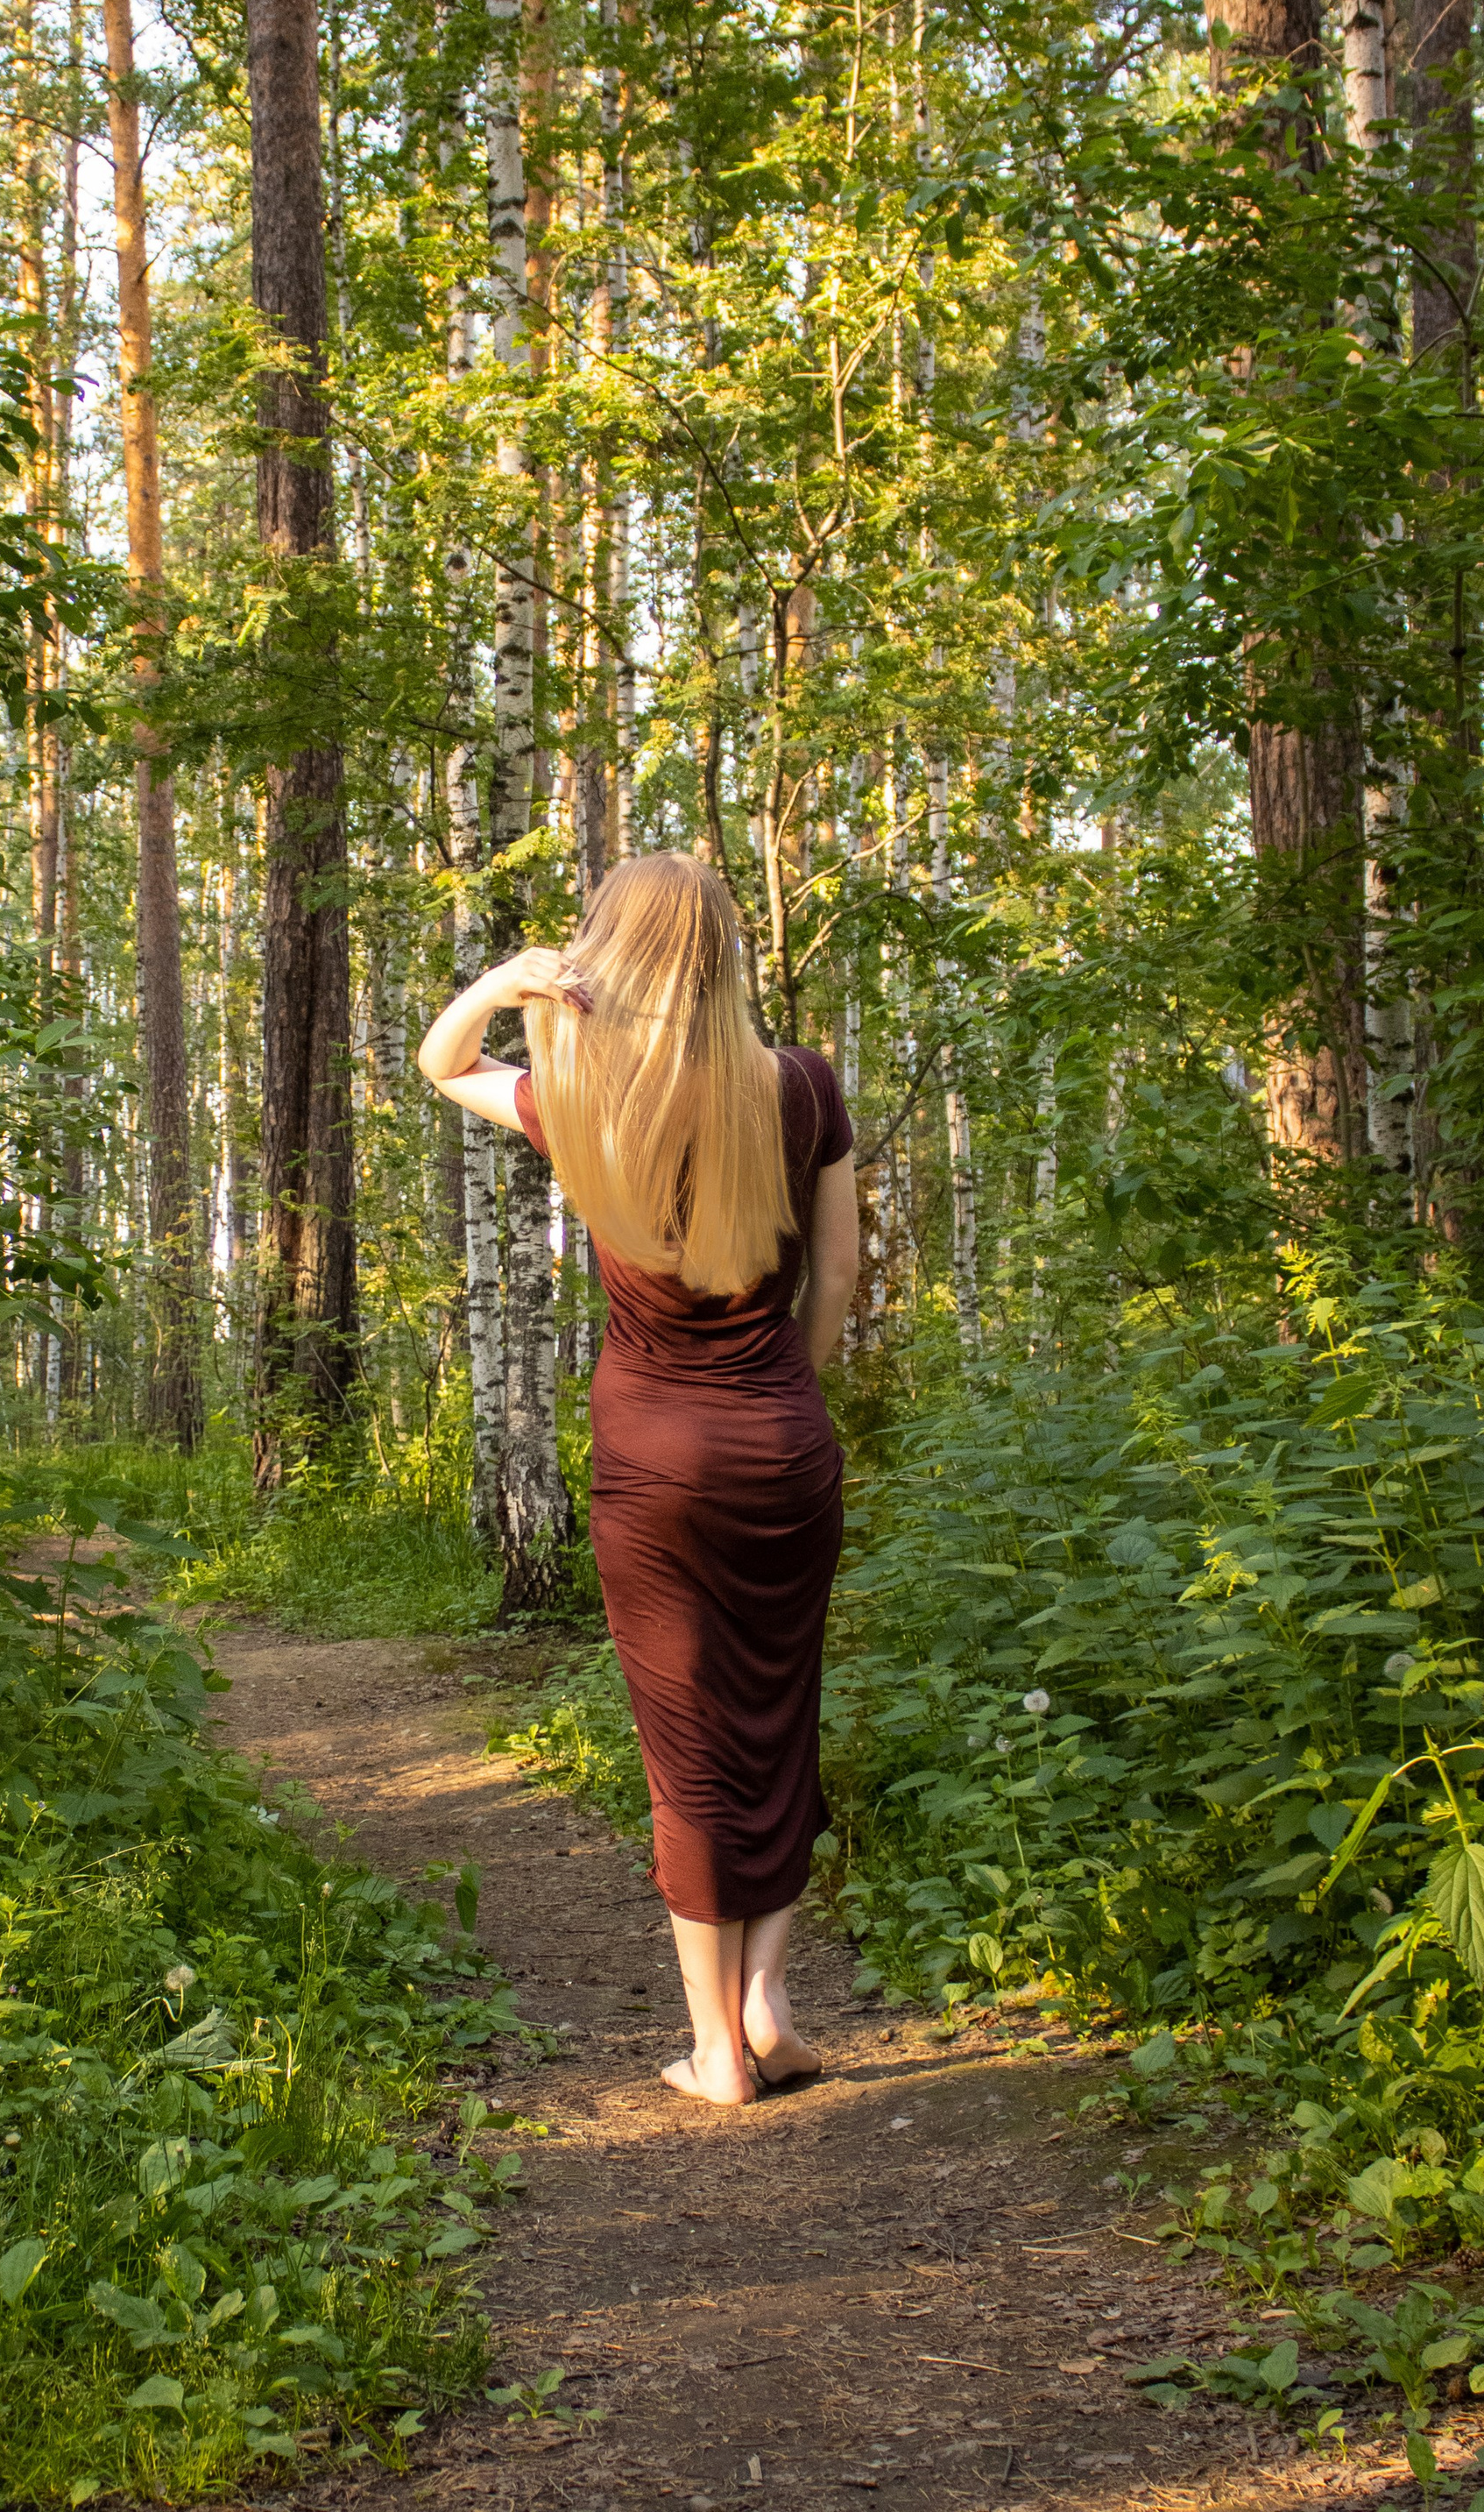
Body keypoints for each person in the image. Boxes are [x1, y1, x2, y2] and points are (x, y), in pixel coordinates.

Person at [416, 852, 859, 2106]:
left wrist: (504, 982)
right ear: (724, 954)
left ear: (615, 953)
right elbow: (838, 1277)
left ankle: (716, 2048)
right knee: (779, 1719)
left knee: (690, 1749)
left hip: (653, 1461)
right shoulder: (803, 1087)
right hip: (783, 1448)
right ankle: (769, 2005)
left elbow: (442, 1063)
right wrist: (786, 1392)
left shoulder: (578, 1089)